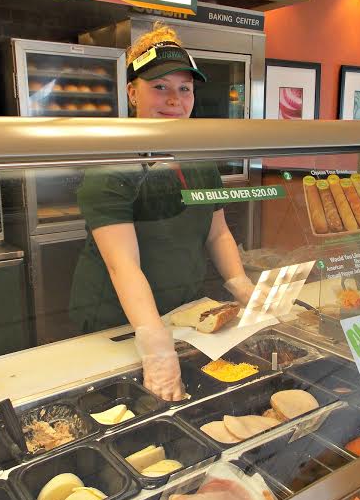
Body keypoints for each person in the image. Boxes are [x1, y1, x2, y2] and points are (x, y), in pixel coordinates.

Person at [70, 23, 255, 401]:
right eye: (160, 87)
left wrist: (242, 286)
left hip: (182, 310)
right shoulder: (112, 164)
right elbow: (123, 265)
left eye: (184, 88)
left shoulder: (198, 158)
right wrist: (155, 346)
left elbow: (217, 233)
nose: (175, 99)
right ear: (132, 93)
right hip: (119, 321)